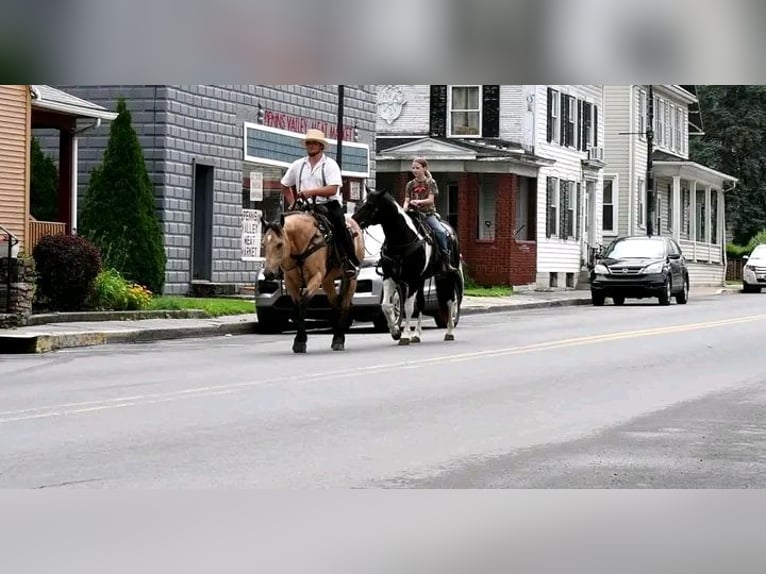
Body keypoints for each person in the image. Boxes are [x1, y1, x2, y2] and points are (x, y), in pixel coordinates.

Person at [281, 129, 360, 277]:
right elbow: (285, 185)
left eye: (314, 143)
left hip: (328, 205)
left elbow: (333, 189)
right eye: (308, 143)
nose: (310, 145)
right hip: (304, 208)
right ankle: (282, 264)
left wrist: (310, 192)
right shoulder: (298, 165)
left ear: (321, 146)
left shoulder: (330, 165)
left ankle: (349, 261)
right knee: (283, 228)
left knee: (340, 227)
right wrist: (292, 203)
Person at [402, 157, 456, 273]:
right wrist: (405, 208)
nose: (415, 170)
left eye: (417, 168)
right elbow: (406, 199)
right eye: (413, 168)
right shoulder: (410, 184)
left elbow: (431, 200)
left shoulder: (431, 183)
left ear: (424, 168)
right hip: (413, 214)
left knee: (440, 232)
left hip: (427, 214)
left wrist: (419, 202)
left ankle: (446, 259)